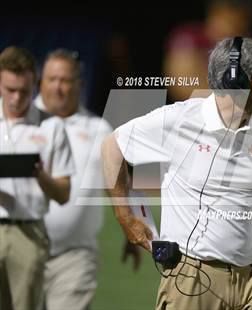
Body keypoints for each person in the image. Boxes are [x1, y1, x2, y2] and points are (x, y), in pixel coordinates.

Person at [102, 37, 252, 309]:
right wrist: (125, 217)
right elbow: (112, 146)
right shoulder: (180, 119)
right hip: (192, 281)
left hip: (250, 281)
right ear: (236, 82)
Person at [34, 48, 141, 310]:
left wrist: (132, 232)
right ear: (40, 82)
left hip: (76, 256)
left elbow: (118, 186)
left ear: (80, 84)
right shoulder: (15, 122)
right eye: (52, 79)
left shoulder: (99, 130)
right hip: (22, 250)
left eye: (66, 80)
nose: (58, 87)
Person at [0, 46, 74, 310]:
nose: (17, 98)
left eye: (25, 90)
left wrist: (41, 175)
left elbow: (64, 194)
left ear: (35, 83)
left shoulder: (51, 126)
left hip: (28, 232)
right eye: (10, 90)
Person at [163, 0, 252, 102]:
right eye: (227, 11)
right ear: (214, 12)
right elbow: (182, 85)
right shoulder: (189, 38)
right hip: (195, 116)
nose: (232, 17)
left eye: (240, 13)